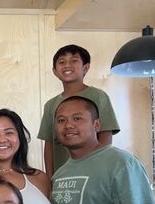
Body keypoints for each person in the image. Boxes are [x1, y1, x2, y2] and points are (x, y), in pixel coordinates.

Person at [51, 96, 155, 204]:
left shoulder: (121, 162)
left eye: (77, 118)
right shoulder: (59, 174)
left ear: (96, 125)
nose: (68, 125)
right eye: (61, 120)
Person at [38, 44, 119, 178]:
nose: (67, 65)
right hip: (62, 175)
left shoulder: (98, 96)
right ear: (54, 71)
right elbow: (49, 144)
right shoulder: (50, 105)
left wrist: (98, 168)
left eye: (74, 60)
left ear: (85, 67)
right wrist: (50, 177)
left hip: (92, 173)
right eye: (62, 62)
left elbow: (105, 135)